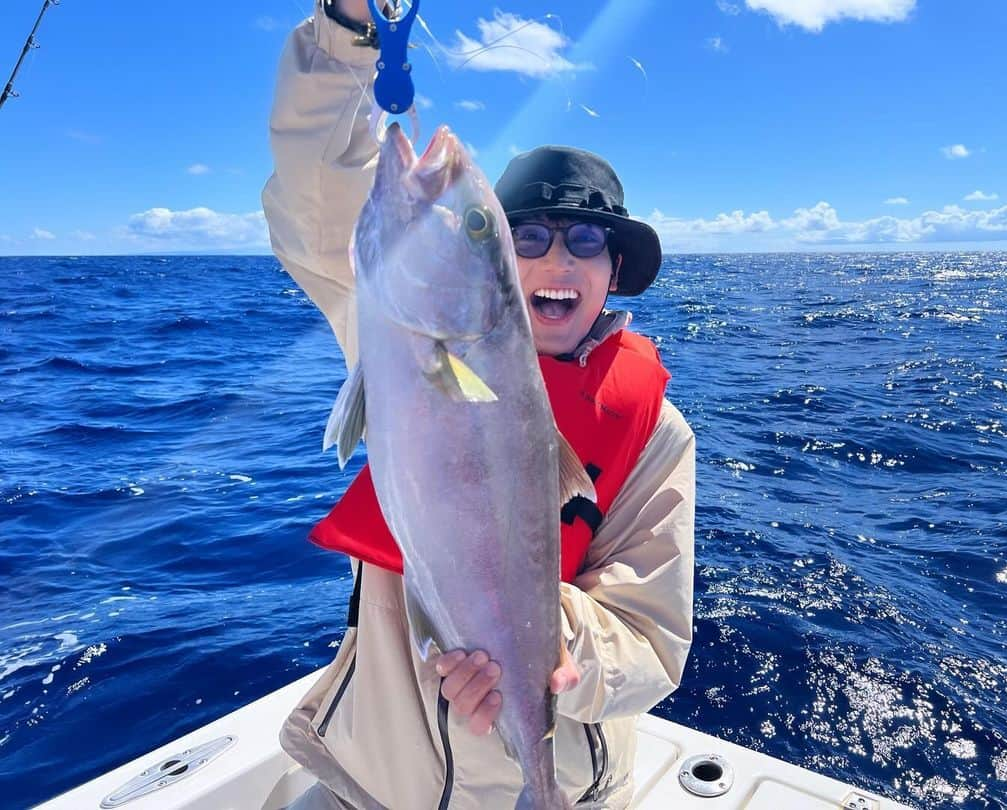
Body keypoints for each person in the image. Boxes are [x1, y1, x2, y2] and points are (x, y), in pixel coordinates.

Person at [262, 2, 696, 808]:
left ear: (612, 273)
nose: (557, 259)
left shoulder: (657, 434)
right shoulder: (394, 335)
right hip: (381, 780)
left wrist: (544, 652)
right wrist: (350, 33)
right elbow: (315, 197)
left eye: (587, 241)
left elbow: (654, 638)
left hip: (564, 776)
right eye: (523, 238)